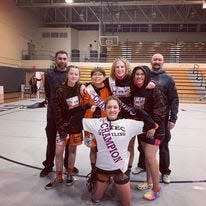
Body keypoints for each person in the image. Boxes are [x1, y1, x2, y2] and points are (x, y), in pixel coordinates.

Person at [83, 96, 156, 205]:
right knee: (95, 199)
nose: (112, 110)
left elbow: (151, 124)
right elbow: (75, 121)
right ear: (105, 109)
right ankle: (105, 182)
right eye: (109, 107)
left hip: (120, 170)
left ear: (119, 109)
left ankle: (113, 182)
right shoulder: (97, 123)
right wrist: (85, 107)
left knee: (126, 204)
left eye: (115, 107)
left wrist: (136, 110)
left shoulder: (128, 123)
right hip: (103, 169)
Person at [134, 53, 179, 184]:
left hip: (161, 119)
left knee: (163, 146)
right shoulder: (143, 76)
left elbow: (174, 99)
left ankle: (165, 171)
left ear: (163, 62)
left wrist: (173, 118)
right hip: (144, 118)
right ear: (151, 61)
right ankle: (142, 165)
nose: (157, 61)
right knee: (143, 144)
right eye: (155, 59)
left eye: (159, 59)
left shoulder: (168, 79)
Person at [45, 65, 88, 189]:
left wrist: (84, 84)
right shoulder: (60, 90)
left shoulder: (81, 89)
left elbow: (94, 84)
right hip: (62, 126)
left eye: (76, 74)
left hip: (75, 127)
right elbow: (56, 111)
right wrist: (61, 127)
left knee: (72, 151)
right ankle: (58, 177)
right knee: (59, 152)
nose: (74, 76)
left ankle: (69, 174)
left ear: (79, 76)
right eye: (71, 73)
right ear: (67, 75)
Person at [40, 50, 78, 177]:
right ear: (56, 60)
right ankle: (48, 165)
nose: (62, 60)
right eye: (60, 58)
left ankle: (68, 165)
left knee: (68, 142)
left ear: (67, 60)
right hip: (52, 115)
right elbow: (47, 92)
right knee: (51, 141)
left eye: (64, 58)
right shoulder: (49, 74)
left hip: (68, 117)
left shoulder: (70, 74)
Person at [130, 65, 166, 200]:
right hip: (143, 128)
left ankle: (156, 189)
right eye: (136, 74)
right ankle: (148, 182)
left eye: (142, 74)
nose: (139, 77)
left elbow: (161, 109)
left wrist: (153, 126)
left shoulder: (154, 89)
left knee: (151, 158)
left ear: (146, 76)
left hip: (155, 130)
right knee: (146, 156)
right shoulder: (135, 90)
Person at [82, 67, 111, 170]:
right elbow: (82, 105)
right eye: (94, 74)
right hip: (90, 124)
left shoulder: (108, 89)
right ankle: (94, 170)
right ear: (91, 77)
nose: (97, 76)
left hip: (104, 124)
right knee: (93, 149)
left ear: (104, 77)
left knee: (104, 149)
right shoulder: (86, 89)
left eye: (100, 74)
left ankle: (103, 169)